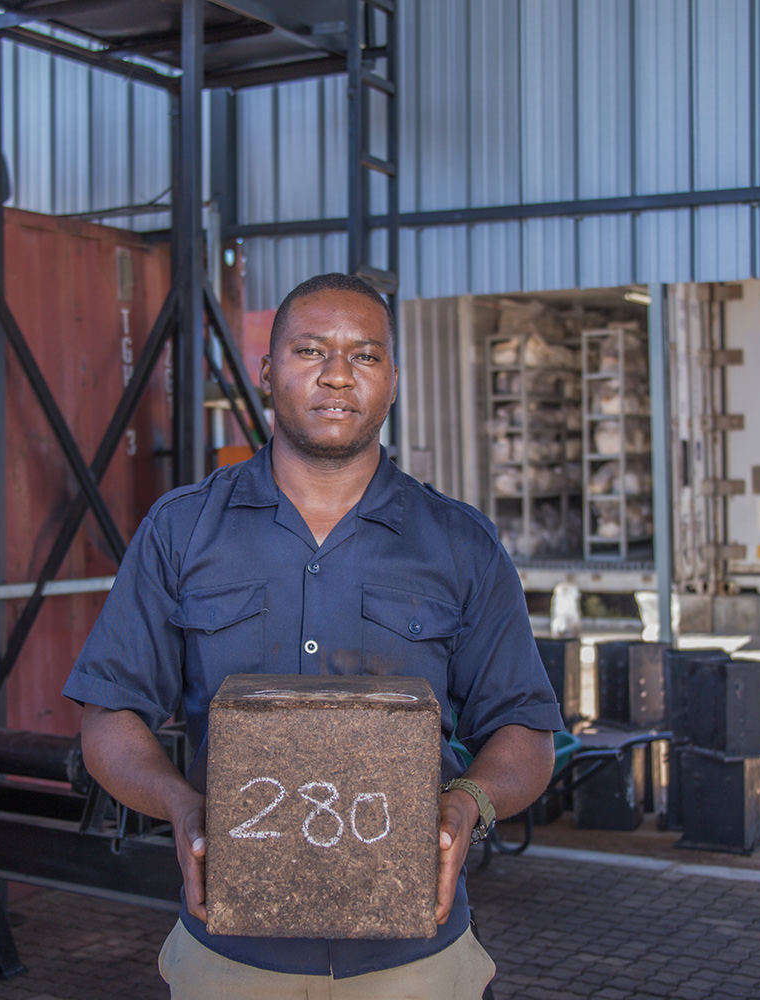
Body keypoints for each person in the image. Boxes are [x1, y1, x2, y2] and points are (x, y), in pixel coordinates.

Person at [62, 272, 563, 999]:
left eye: (363, 355)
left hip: (415, 963)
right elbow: (108, 712)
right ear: (266, 372)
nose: (336, 375)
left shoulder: (461, 544)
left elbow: (526, 727)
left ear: (393, 379)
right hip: (231, 960)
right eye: (310, 351)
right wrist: (180, 804)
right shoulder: (181, 531)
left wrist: (469, 804)